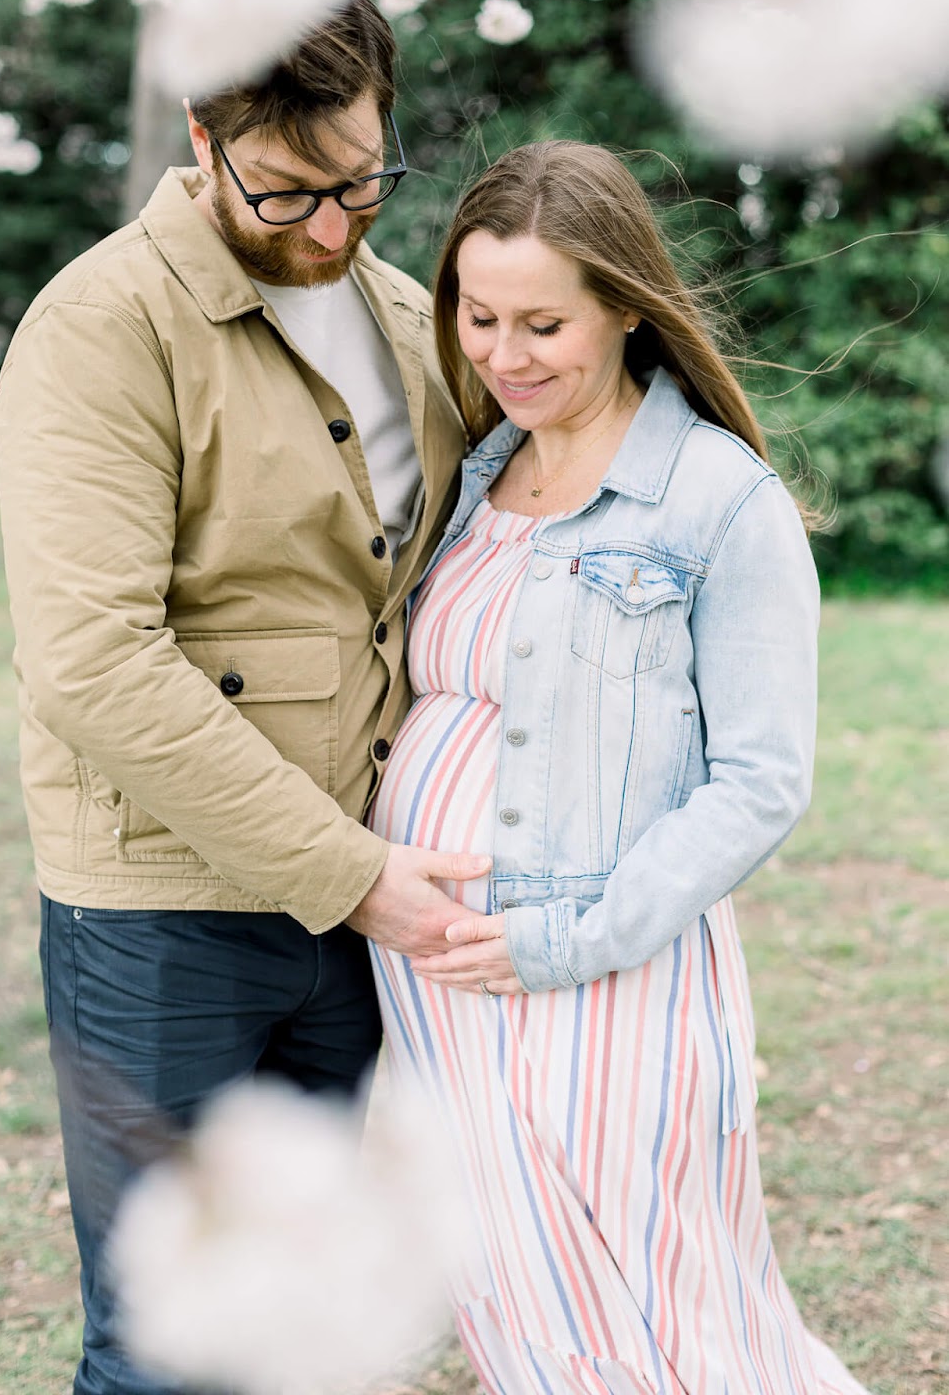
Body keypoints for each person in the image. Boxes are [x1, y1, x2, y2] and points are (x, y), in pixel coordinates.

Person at [0, 0, 488, 1395]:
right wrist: (355, 875)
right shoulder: (100, 325)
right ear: (201, 140)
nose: (334, 229)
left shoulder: (405, 315)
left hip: (361, 907)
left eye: (363, 182)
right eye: (288, 191)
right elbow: (93, 661)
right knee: (171, 1341)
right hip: (165, 920)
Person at [367, 141, 871, 1395]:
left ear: (626, 309)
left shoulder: (717, 500)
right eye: (477, 317)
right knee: (511, 1285)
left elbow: (760, 780)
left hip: (607, 972)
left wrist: (570, 936)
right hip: (441, 985)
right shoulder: (481, 473)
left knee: (671, 1305)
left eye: (543, 322)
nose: (502, 352)